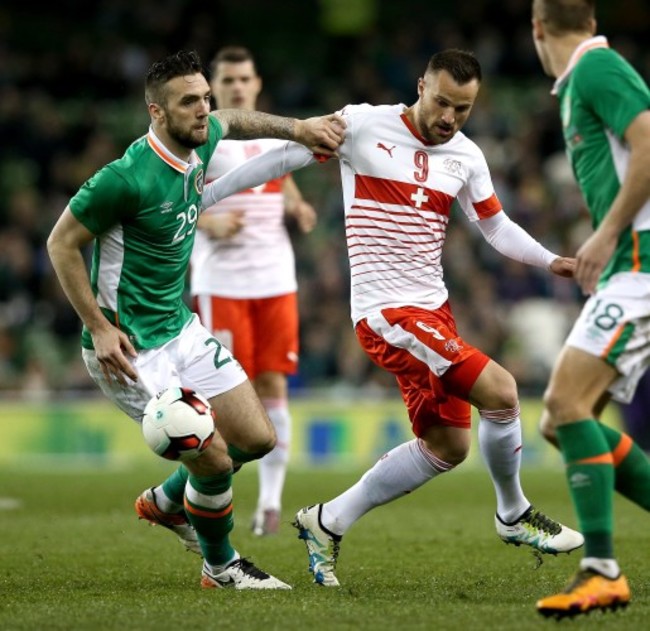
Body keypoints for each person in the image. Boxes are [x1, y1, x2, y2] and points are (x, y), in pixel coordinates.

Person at [202, 48, 585, 588]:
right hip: (387, 313)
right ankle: (513, 513)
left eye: (464, 109)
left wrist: (553, 261)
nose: (450, 118)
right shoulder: (361, 123)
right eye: (443, 102)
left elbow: (495, 228)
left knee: (448, 447)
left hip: (434, 314)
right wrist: (208, 193)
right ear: (421, 85)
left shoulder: (467, 156)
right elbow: (284, 157)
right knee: (502, 390)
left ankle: (326, 521)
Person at [46, 50, 344, 591]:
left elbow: (237, 121)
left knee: (256, 438)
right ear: (156, 113)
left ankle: (165, 501)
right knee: (209, 457)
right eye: (189, 102)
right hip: (132, 350)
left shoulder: (200, 139)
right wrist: (98, 325)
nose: (204, 110)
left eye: (205, 97)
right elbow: (60, 243)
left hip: (181, 329)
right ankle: (221, 567)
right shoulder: (123, 179)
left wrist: (300, 130)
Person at [530, 0, 650, 618]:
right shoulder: (582, 80)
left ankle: (601, 568)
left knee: (563, 404)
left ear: (537, 26)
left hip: (640, 265)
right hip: (627, 268)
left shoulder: (598, 71)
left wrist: (604, 235)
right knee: (560, 423)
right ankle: (602, 567)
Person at [191, 46, 316, 536]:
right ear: (213, 90)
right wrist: (206, 220)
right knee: (221, 399)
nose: (238, 88)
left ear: (257, 83)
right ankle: (205, 496)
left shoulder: (267, 133)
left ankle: (269, 501)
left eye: (245, 79)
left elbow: (277, 173)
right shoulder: (204, 141)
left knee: (274, 387)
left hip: (276, 282)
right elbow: (170, 201)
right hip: (221, 284)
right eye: (228, 82)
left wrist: (298, 204)